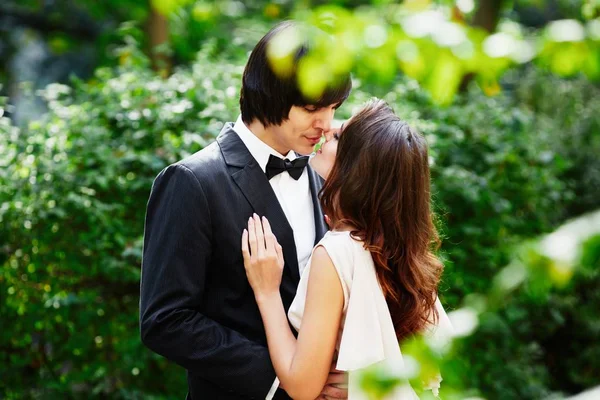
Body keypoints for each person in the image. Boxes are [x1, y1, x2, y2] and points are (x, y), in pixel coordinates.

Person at [139, 21, 351, 399]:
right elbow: (165, 320)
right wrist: (282, 379)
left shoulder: (320, 182)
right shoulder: (193, 181)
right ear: (270, 95)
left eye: (333, 108)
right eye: (312, 108)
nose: (326, 124)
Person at [241, 99, 454, 399]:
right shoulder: (397, 245)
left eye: (340, 136)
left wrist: (267, 292)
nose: (328, 129)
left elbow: (302, 385)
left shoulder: (337, 252)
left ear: (358, 167)